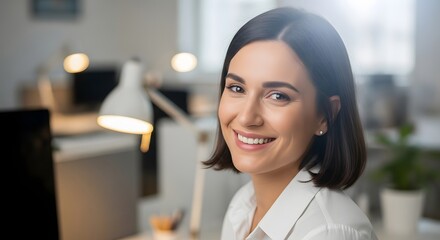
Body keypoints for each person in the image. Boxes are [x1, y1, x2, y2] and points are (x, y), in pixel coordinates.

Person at [203, 7, 378, 240]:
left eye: (278, 96)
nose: (246, 117)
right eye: (237, 88)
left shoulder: (329, 233)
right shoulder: (242, 206)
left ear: (325, 115)